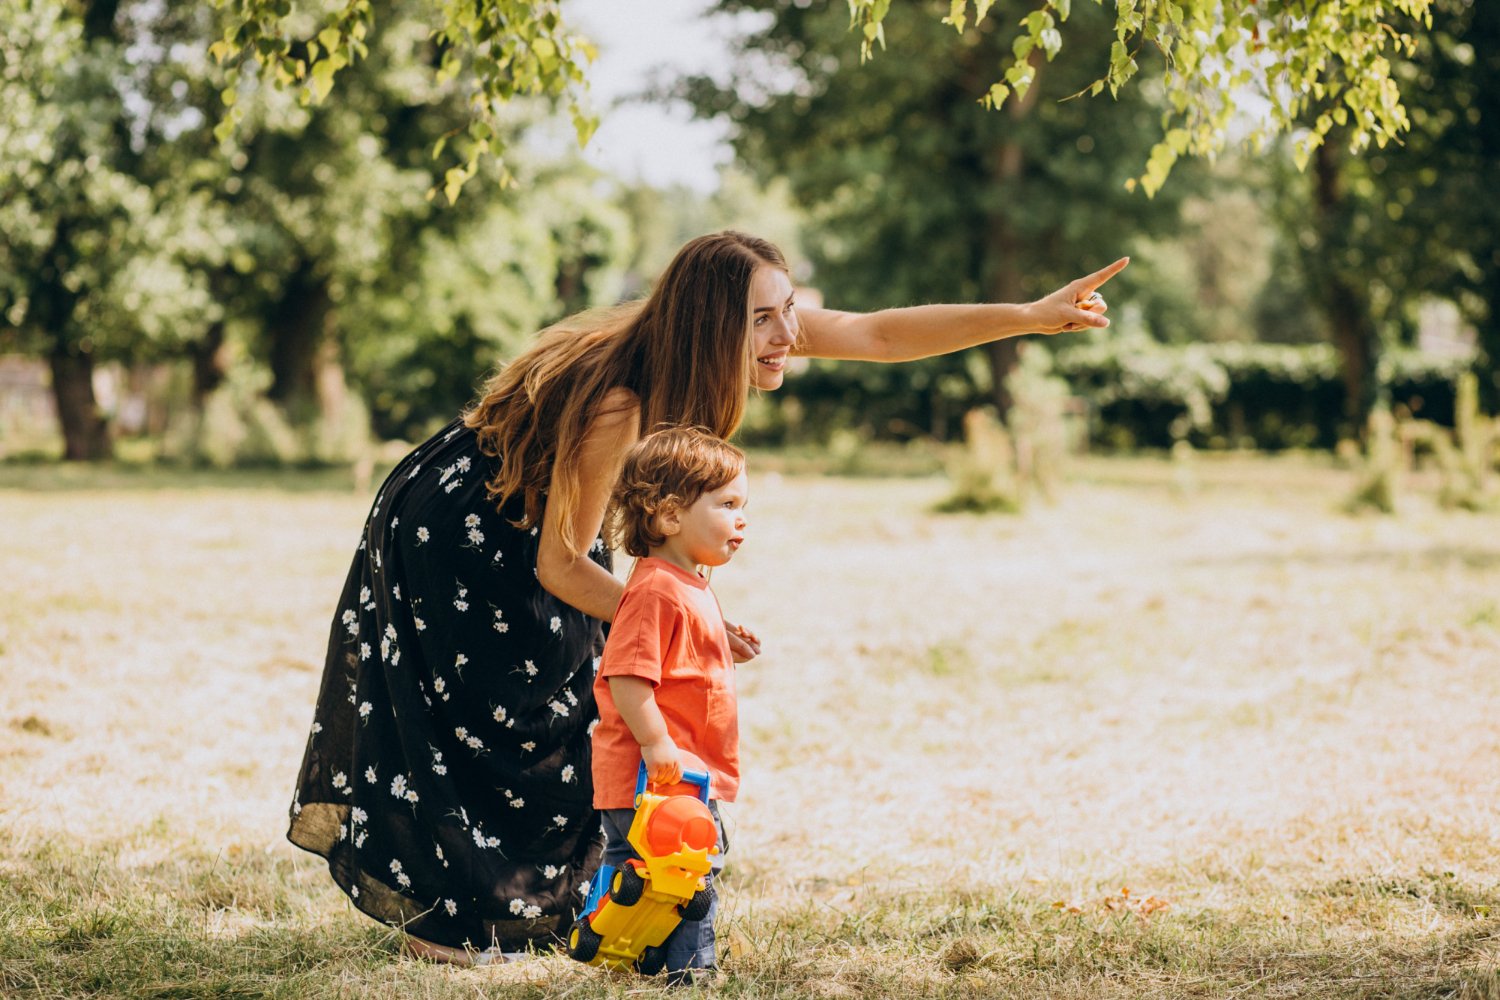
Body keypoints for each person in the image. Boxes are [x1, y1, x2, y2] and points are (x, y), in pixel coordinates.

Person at [287, 230, 1124, 965]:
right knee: (521, 702)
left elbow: (877, 332)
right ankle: (452, 922)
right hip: (466, 524)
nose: (788, 335)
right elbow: (562, 566)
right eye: (764, 320)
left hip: (537, 517)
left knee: (589, 678)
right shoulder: (621, 403)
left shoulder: (721, 343)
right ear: (711, 325)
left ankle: (538, 900)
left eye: (788, 311)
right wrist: (684, 618)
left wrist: (1029, 314)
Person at [591, 426, 750, 984]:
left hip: (681, 775)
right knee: (685, 870)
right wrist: (657, 744)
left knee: (659, 872)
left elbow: (679, 662)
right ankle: (691, 970)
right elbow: (627, 676)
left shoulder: (688, 583)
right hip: (657, 775)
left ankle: (640, 954)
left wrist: (722, 643)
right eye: (727, 505)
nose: (741, 520)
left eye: (743, 507)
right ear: (669, 516)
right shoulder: (656, 590)